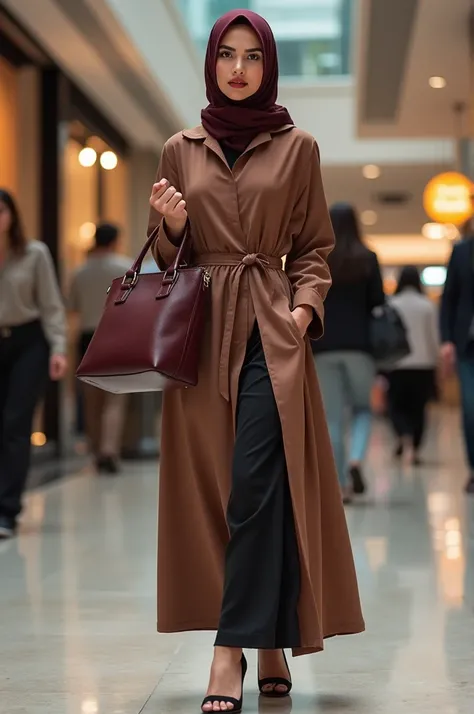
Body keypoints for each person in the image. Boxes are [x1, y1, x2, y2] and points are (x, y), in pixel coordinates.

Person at [148, 11, 364, 713]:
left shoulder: (298, 146)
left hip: (271, 332)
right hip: (201, 334)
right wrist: (174, 227)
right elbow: (165, 260)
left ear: (268, 66)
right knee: (221, 495)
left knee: (257, 486)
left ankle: (227, 652)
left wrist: (301, 314)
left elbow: (312, 250)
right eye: (226, 56)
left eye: (252, 58)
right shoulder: (178, 148)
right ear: (211, 63)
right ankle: (272, 643)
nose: (238, 69)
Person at [0, 189, 67, 539]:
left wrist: (58, 347)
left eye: (1, 211)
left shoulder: (33, 253)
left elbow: (51, 304)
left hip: (29, 343)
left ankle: (8, 511)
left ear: (12, 215)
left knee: (15, 423)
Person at [312, 203, 384, 503]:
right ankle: (355, 460)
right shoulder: (368, 259)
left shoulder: (320, 260)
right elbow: (377, 304)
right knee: (362, 410)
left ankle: (342, 486)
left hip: (323, 347)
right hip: (360, 347)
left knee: (333, 419)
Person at [69, 223, 131, 474]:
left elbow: (72, 307)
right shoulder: (125, 266)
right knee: (115, 399)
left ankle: (95, 452)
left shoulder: (79, 272)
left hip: (87, 337)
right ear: (115, 240)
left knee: (91, 399)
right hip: (117, 335)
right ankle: (109, 450)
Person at [387, 266, 439, 464]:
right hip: (423, 364)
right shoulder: (427, 305)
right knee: (418, 407)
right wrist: (437, 362)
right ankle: (414, 448)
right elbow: (434, 337)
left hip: (397, 363)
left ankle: (404, 436)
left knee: (396, 405)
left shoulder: (392, 304)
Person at [440, 225, 474, 494]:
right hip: (467, 345)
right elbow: (449, 298)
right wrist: (447, 340)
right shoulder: (462, 252)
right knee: (471, 409)